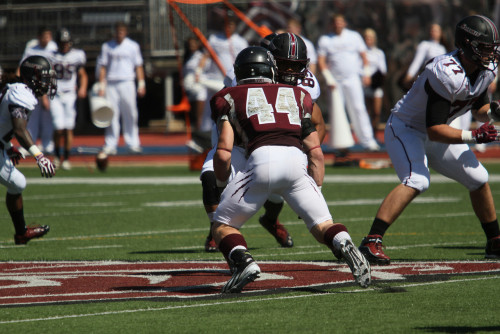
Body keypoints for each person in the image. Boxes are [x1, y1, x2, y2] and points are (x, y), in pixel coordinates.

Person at [210, 46, 371, 293]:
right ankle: (344, 243)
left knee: (222, 225)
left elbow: (223, 151)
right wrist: (314, 190)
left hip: (260, 162)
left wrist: (222, 184)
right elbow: (315, 151)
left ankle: (243, 262)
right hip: (297, 163)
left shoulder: (229, 96)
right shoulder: (296, 94)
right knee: (323, 225)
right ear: (272, 70)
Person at [358, 15, 500, 265]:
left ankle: (495, 241)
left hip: (435, 130)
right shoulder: (445, 72)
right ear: (468, 45)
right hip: (406, 128)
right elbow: (434, 129)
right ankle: (371, 241)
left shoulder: (483, 69)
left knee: (479, 179)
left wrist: (492, 113)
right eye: (485, 47)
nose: (490, 53)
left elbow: (478, 105)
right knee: (418, 180)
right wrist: (474, 135)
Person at [1, 55, 57, 244]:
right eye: (44, 78)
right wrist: (39, 156)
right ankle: (21, 233)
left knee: (17, 183)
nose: (47, 83)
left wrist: (8, 146)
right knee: (17, 183)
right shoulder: (21, 93)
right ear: (32, 76)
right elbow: (19, 129)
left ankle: (21, 233)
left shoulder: (17, 89)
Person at [317, 14, 380, 159]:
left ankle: (368, 141)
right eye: (335, 22)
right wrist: (329, 78)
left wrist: (366, 73)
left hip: (352, 79)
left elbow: (364, 56)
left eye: (340, 22)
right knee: (337, 112)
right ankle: (341, 145)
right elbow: (321, 61)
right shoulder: (325, 40)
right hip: (335, 82)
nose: (338, 25)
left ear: (344, 23)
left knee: (358, 108)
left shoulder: (354, 36)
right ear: (332, 24)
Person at [98, 21, 146, 155]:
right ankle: (111, 144)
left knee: (130, 112)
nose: (119, 34)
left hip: (127, 82)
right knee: (111, 114)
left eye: (122, 32)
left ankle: (133, 143)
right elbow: (103, 66)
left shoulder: (132, 46)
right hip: (111, 82)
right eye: (117, 32)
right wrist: (102, 85)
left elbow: (138, 66)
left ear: (125, 32)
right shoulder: (107, 46)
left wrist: (141, 84)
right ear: (114, 32)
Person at [196, 12, 248, 134]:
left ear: (235, 25)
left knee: (228, 108)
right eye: (226, 24)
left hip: (232, 80)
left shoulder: (241, 42)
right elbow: (206, 55)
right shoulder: (214, 39)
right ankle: (204, 133)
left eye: (231, 24)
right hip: (213, 79)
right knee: (209, 106)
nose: (228, 26)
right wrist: (199, 71)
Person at [49, 28, 88, 170]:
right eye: (62, 42)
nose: (65, 45)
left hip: (70, 94)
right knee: (58, 128)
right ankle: (57, 156)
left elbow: (82, 73)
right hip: (55, 94)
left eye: (66, 42)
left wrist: (83, 87)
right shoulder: (51, 56)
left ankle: (66, 158)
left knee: (69, 128)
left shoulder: (77, 55)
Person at [18, 26, 58, 156]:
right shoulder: (31, 49)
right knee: (32, 117)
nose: (47, 39)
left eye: (48, 36)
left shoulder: (54, 49)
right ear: (39, 37)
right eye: (44, 36)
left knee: (48, 118)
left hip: (48, 86)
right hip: (33, 86)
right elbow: (22, 66)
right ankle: (29, 144)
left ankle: (48, 144)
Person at [401, 23, 447, 91]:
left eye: (437, 31)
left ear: (440, 33)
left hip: (440, 82)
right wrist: (409, 76)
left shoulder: (443, 49)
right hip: (427, 79)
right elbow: (417, 62)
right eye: (432, 30)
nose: (434, 32)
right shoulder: (425, 44)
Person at [363, 28, 387, 134]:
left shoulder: (379, 53)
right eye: (367, 38)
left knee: (376, 112)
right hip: (365, 85)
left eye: (371, 38)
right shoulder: (362, 53)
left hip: (376, 86)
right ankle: (367, 134)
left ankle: (375, 132)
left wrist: (376, 80)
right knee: (367, 112)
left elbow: (383, 69)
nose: (369, 40)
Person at [182, 36, 207, 131]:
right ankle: (195, 132)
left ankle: (200, 132)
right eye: (189, 44)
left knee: (199, 114)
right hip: (189, 88)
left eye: (193, 43)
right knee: (192, 113)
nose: (191, 46)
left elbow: (202, 66)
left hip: (199, 87)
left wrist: (197, 73)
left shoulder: (200, 56)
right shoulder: (187, 57)